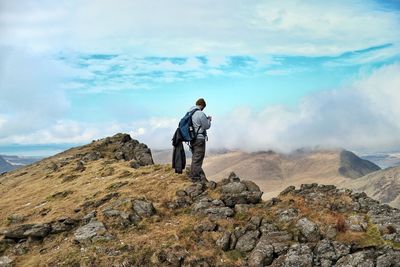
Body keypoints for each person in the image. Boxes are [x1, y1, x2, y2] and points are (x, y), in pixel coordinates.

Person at [189, 98, 212, 182]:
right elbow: (206, 126)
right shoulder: (200, 113)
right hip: (199, 139)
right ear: (202, 105)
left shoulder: (190, 112)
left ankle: (193, 175)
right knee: (198, 158)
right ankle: (195, 178)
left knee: (195, 157)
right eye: (204, 107)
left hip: (192, 139)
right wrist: (209, 120)